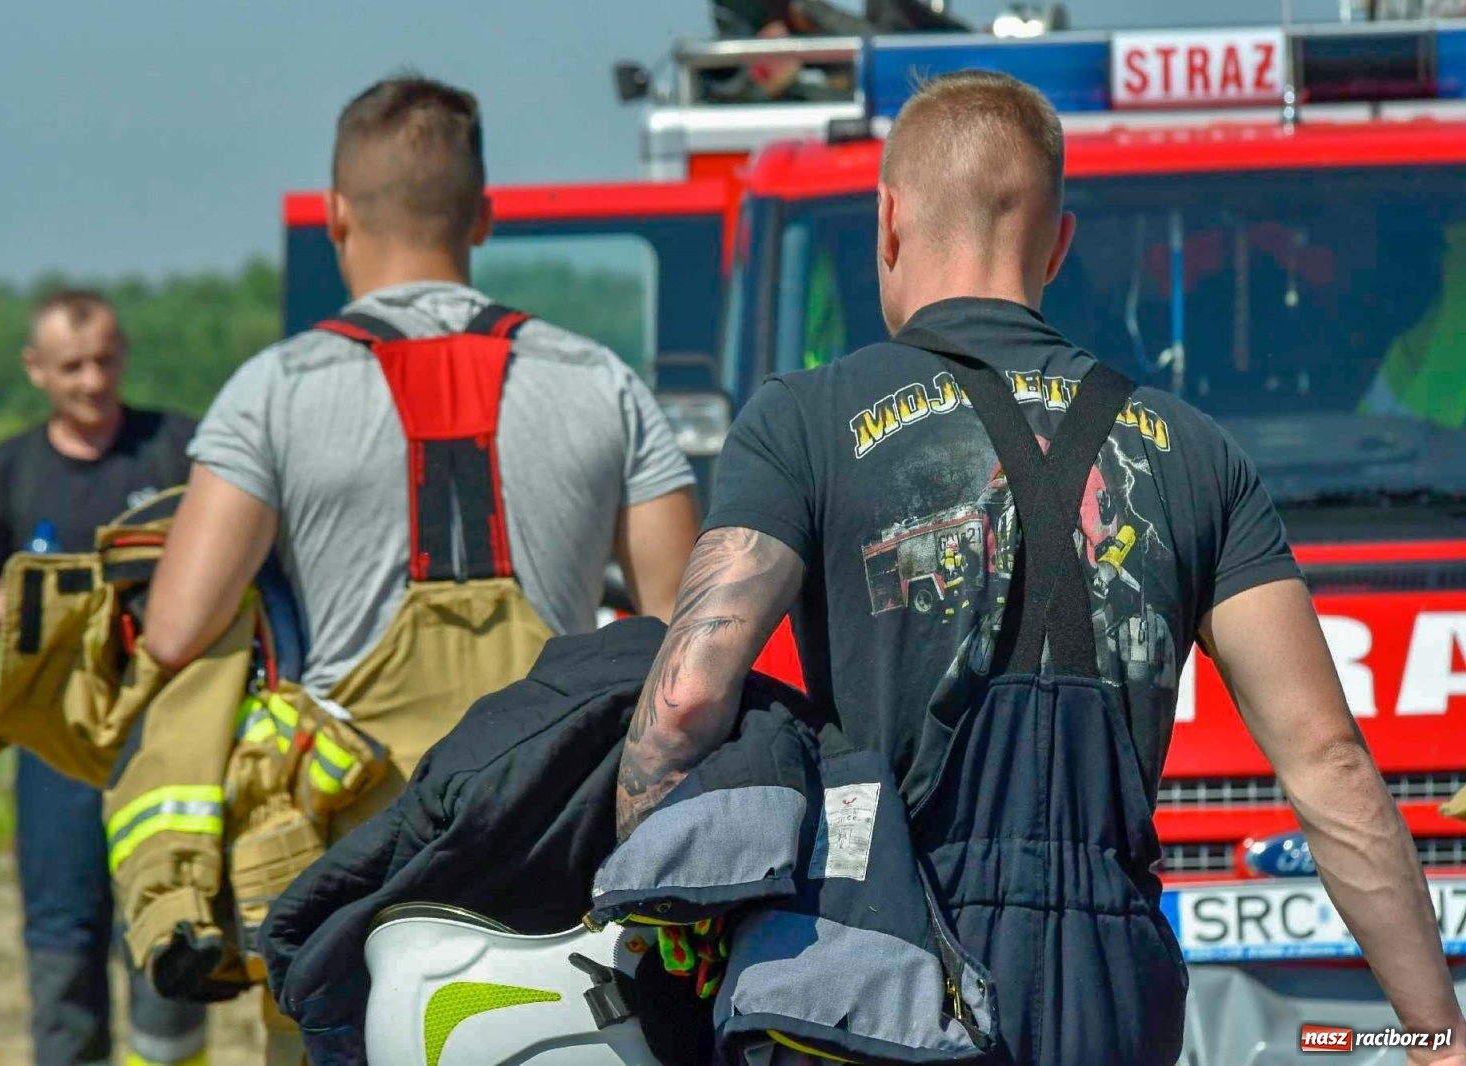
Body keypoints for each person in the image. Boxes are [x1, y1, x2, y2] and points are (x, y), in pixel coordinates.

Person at [615, 71, 1466, 1065]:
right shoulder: (1193, 450)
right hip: (1112, 978)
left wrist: (657, 923)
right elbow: (1327, 765)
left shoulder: (802, 419)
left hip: (873, 957)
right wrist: (1434, 1028)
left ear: (886, 223)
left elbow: (681, 701)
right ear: (1057, 245)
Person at [140, 74, 701, 1062]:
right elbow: (680, 631)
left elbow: (178, 630)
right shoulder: (603, 384)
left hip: (351, 873)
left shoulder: (271, 393)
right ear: (484, 215)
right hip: (546, 862)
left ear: (334, 215)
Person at [0, 290, 209, 1066]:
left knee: (168, 923)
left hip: (166, 744)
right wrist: (52, 607)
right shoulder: (12, 468)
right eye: (72, 367)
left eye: (104, 361)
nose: (92, 382)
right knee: (63, 936)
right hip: (55, 748)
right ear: (36, 370)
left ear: (123, 354)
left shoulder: (177, 448)